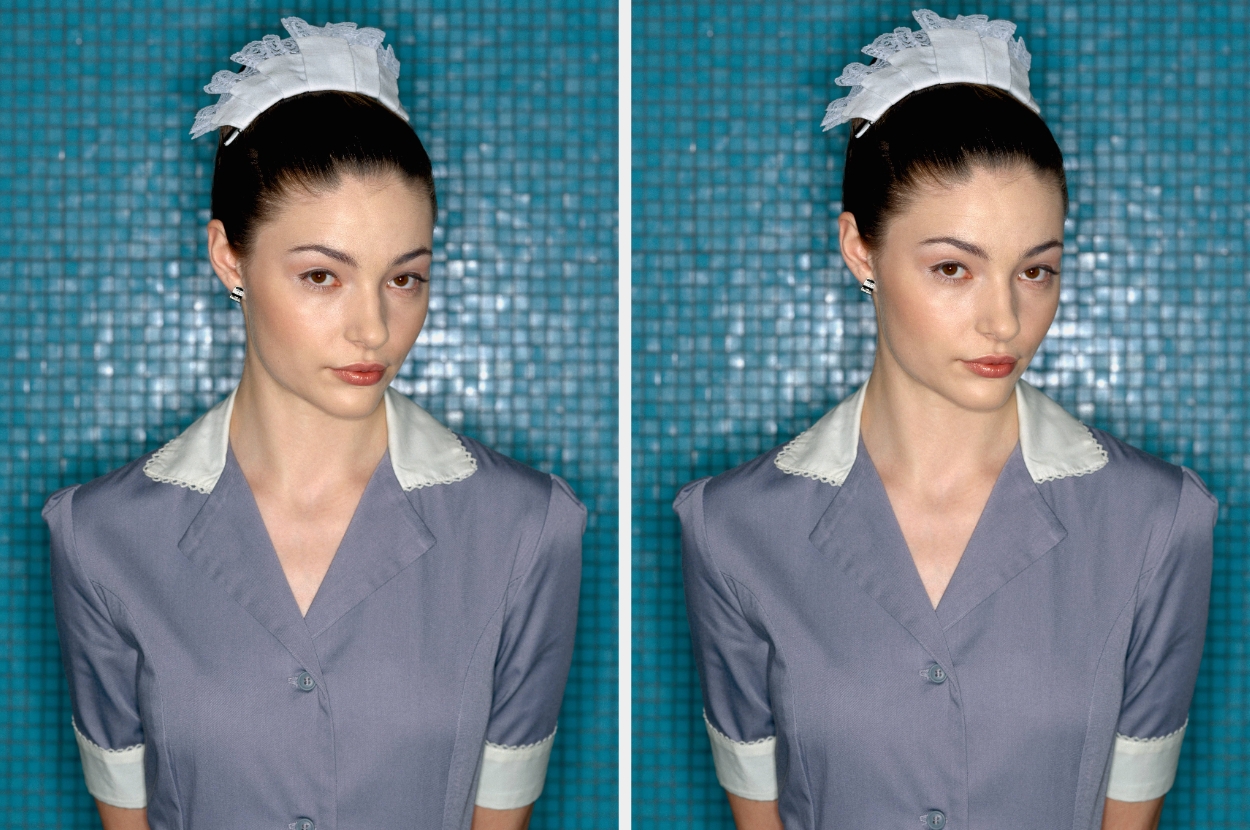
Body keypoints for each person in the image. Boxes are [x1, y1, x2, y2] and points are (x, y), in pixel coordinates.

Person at [675, 10, 1215, 830]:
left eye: (1036, 270)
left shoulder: (1161, 521)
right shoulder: (731, 528)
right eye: (954, 267)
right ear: (861, 249)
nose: (1004, 320)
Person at [43, 18, 583, 830]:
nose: (372, 328)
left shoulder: (529, 528)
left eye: (404, 278)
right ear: (230, 257)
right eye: (323, 275)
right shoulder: (100, 536)